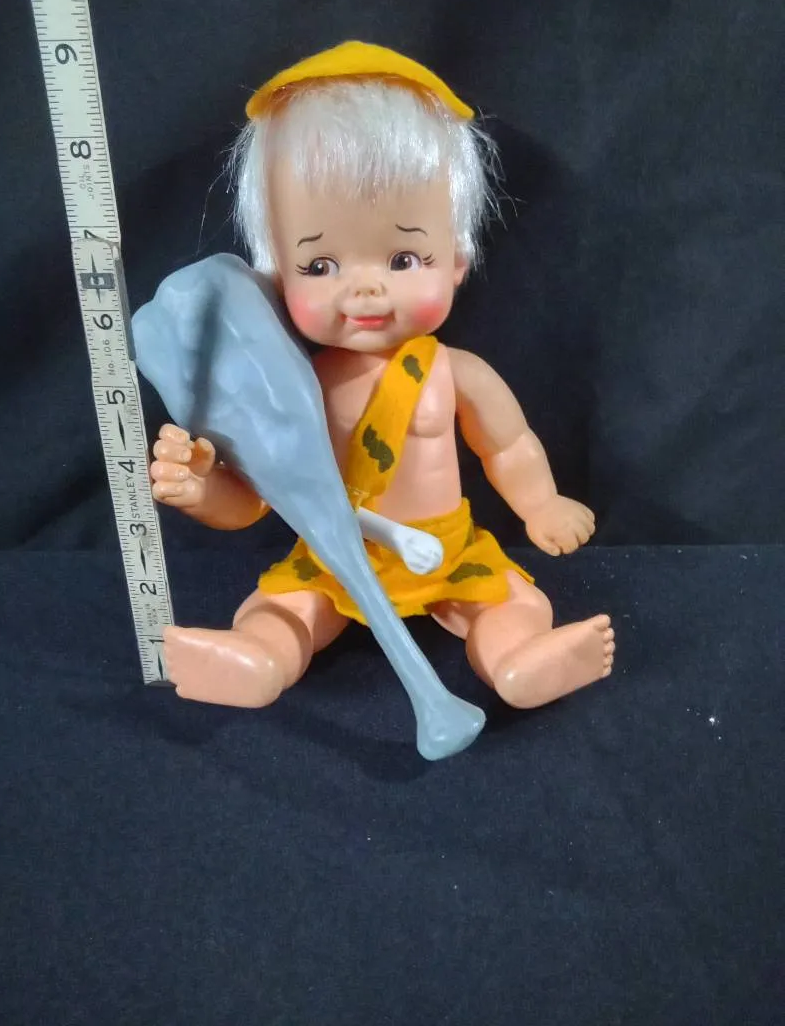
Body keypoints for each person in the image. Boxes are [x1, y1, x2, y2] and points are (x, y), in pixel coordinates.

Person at [149, 42, 615, 712]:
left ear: (456, 261)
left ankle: (517, 661)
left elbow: (507, 445)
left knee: (514, 601)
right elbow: (255, 499)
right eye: (320, 267)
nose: (365, 290)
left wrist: (541, 504)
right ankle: (259, 658)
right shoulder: (289, 386)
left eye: (402, 259)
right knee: (280, 607)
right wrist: (201, 488)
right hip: (335, 556)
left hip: (448, 551)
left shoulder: (455, 373)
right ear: (275, 276)